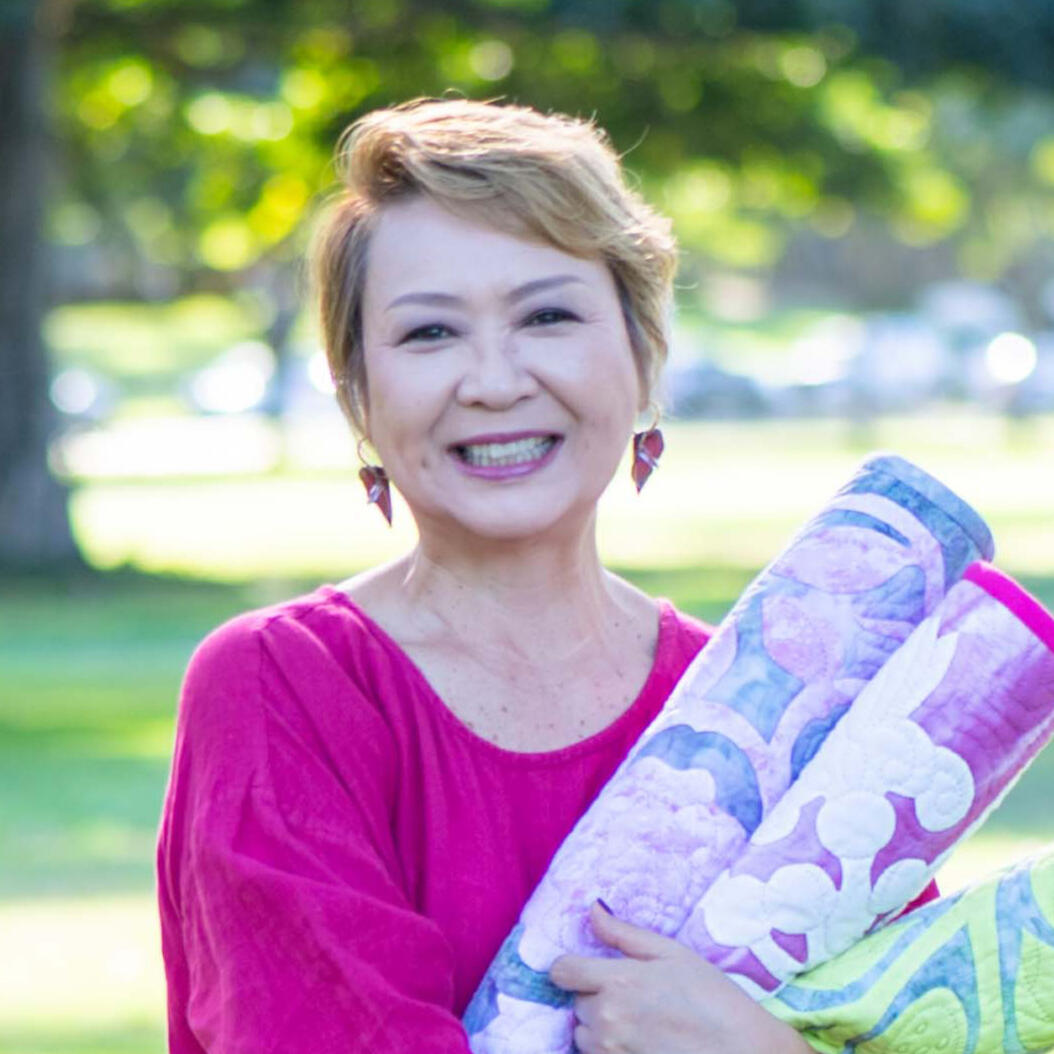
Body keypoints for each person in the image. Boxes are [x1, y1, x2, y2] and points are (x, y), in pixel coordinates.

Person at [155, 98, 900, 1053]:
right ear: (358, 396)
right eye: (430, 334)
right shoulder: (285, 687)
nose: (496, 382)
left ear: (642, 354)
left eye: (547, 316)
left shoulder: (778, 709)